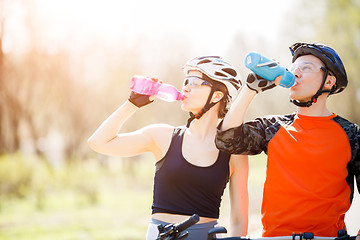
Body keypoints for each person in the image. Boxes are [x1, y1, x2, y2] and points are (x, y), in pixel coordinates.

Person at [88, 56, 249, 239]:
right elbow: (98, 142)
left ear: (218, 95)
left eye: (195, 82)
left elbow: (239, 219)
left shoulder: (234, 152)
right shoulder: (163, 136)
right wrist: (131, 104)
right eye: (186, 81)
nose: (186, 87)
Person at [215, 43, 360, 238]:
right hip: (275, 237)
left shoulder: (351, 135)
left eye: (306, 67)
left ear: (329, 82)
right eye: (293, 69)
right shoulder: (274, 127)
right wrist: (250, 88)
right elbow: (226, 139)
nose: (296, 73)